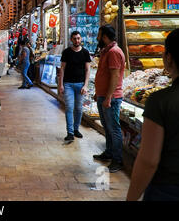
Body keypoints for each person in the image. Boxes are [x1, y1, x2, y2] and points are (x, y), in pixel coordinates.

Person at [127, 29, 179, 201]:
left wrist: (131, 198)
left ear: (168, 58)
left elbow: (148, 160)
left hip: (168, 189)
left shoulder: (160, 101)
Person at [93, 25, 126, 173]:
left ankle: (117, 160)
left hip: (110, 98)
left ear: (105, 36)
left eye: (99, 35)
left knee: (114, 129)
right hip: (103, 96)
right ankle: (109, 152)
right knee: (107, 127)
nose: (97, 38)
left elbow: (114, 76)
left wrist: (108, 97)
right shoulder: (107, 51)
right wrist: (98, 92)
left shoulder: (113, 52)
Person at [58, 31, 91, 142]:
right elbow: (62, 68)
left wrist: (86, 85)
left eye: (78, 38)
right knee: (69, 108)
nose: (76, 40)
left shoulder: (85, 53)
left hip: (81, 85)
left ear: (81, 39)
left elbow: (87, 70)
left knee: (79, 109)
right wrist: (61, 84)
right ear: (71, 40)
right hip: (68, 85)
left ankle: (76, 129)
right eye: (74, 39)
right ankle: (70, 132)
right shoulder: (66, 52)